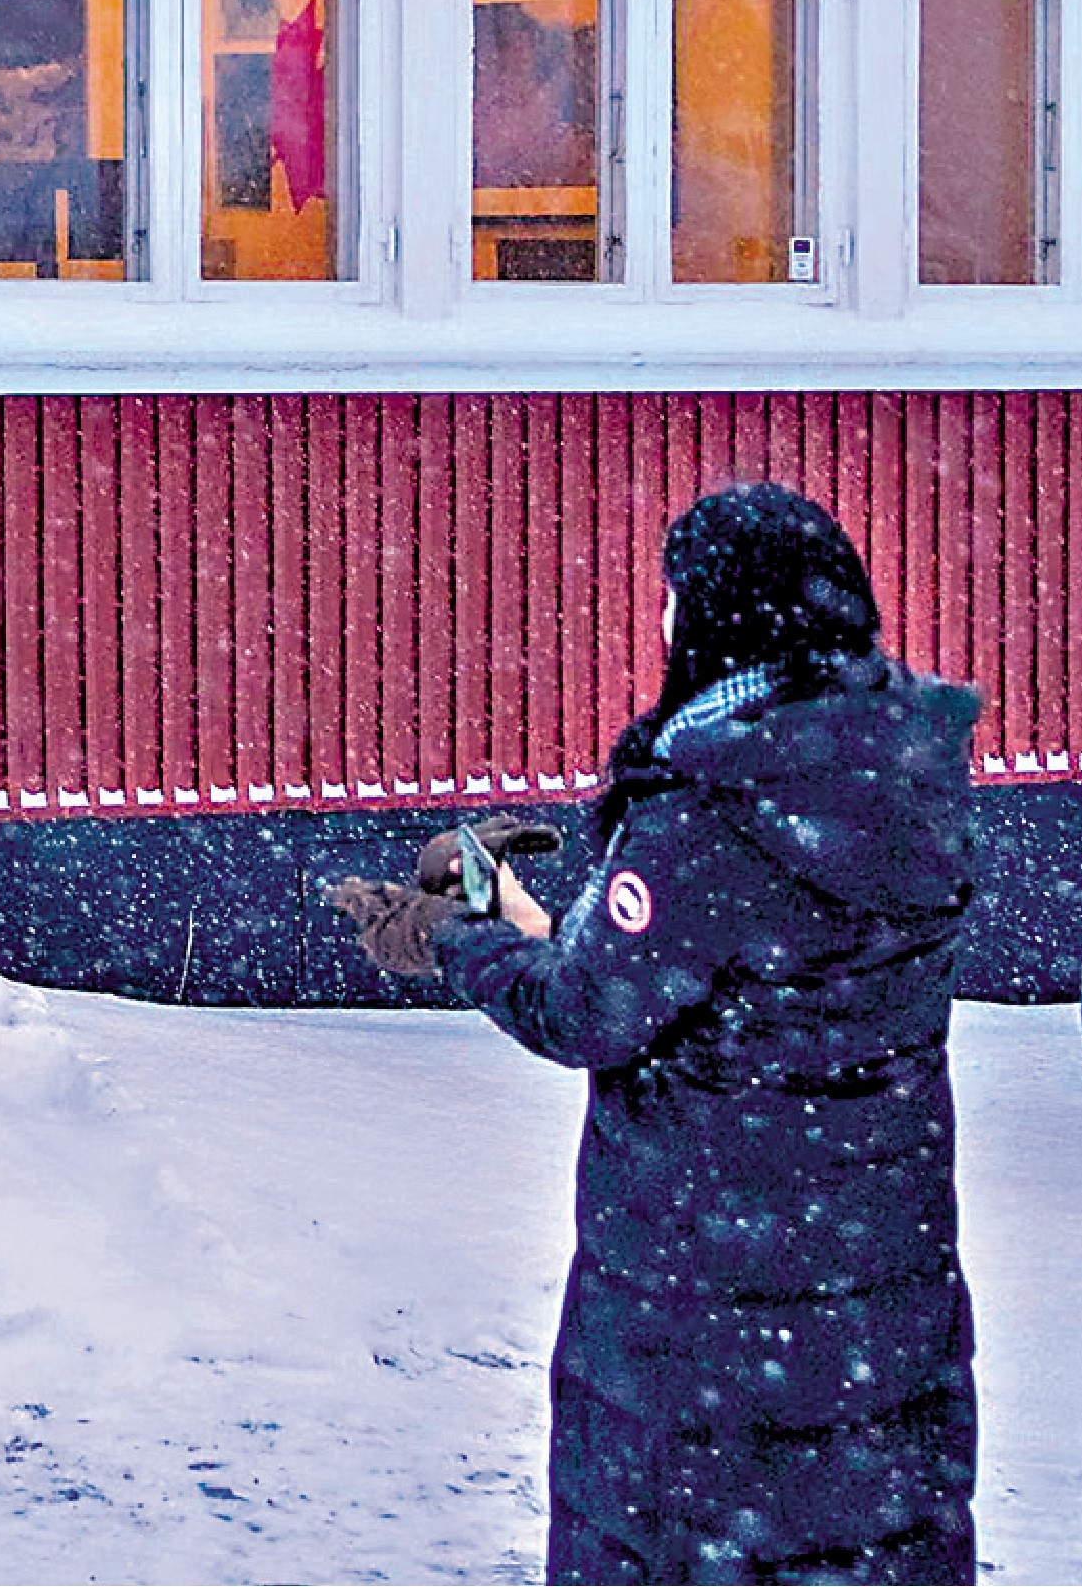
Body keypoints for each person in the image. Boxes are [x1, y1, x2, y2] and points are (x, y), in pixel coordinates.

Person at [329, 481, 979, 1585]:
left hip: (707, 1309)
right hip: (874, 1283)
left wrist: (452, 934)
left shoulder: (710, 809)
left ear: (722, 615)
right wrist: (532, 917)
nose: (665, 622)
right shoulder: (897, 775)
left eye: (676, 598)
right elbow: (722, 975)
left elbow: (583, 1009)